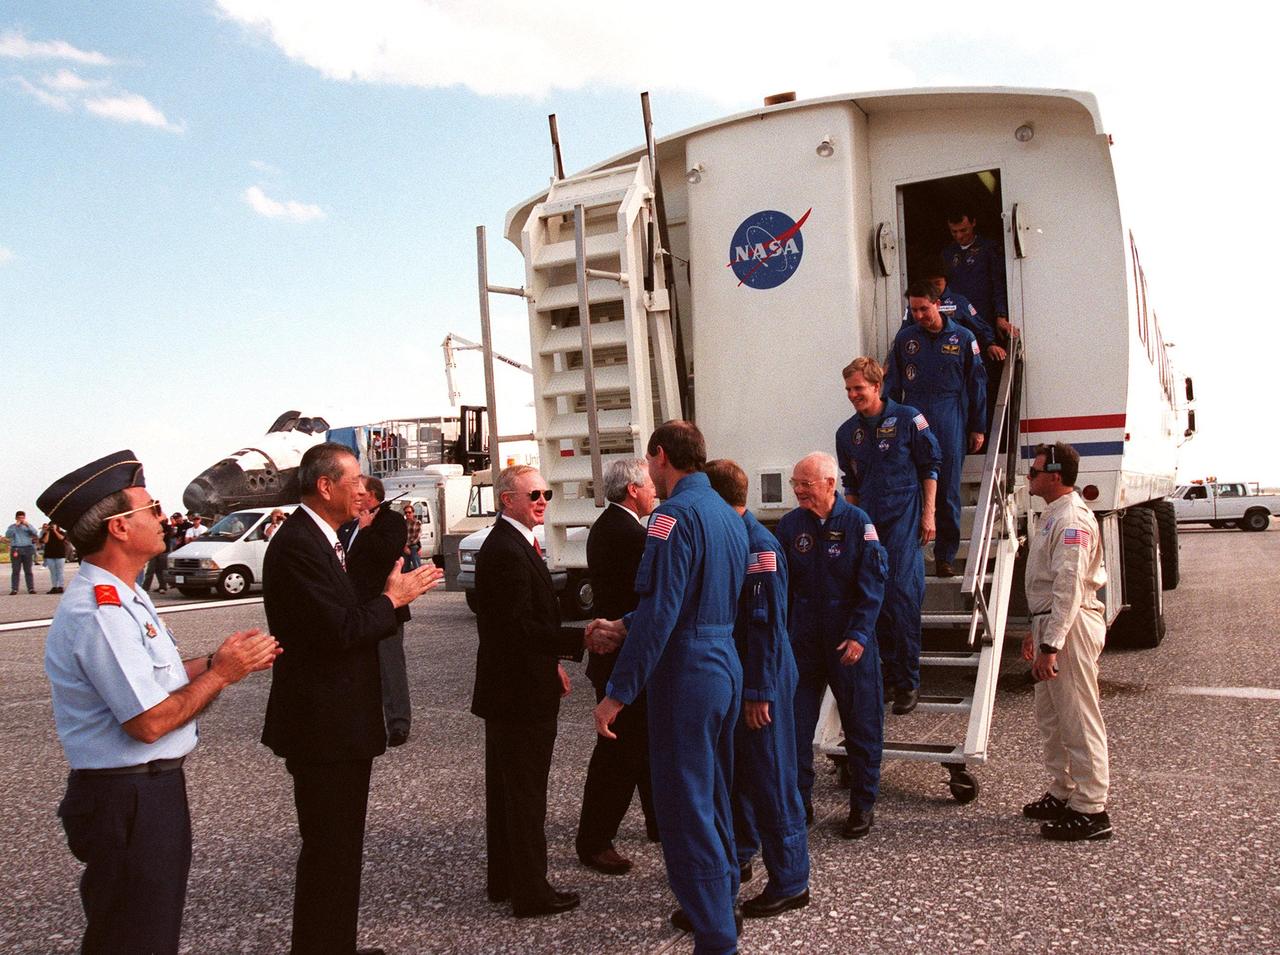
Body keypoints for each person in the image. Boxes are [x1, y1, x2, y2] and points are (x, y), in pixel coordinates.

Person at [37, 450, 281, 954]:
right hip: (127, 798)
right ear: (120, 528)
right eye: (150, 508)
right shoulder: (100, 612)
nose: (161, 517)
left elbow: (157, 678)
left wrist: (218, 658)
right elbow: (147, 722)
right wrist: (222, 675)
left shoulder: (126, 596)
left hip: (144, 793)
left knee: (142, 929)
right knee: (135, 937)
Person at [261, 442, 443, 955]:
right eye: (356, 480)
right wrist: (393, 599)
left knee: (339, 853)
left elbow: (346, 617)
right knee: (329, 852)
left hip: (337, 726)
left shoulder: (323, 540)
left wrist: (391, 597)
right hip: (323, 729)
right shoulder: (299, 543)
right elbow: (339, 630)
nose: (364, 490)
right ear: (326, 486)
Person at [590, 420, 748, 955]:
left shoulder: (670, 517)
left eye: (650, 459)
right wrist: (626, 625)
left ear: (660, 456)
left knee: (685, 807)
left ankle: (716, 937)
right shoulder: (728, 516)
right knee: (716, 794)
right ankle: (723, 900)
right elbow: (689, 599)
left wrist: (618, 692)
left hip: (688, 672)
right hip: (724, 661)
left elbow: (664, 609)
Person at [471, 465, 583, 918]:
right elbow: (517, 627)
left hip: (515, 686)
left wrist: (551, 661)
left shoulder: (516, 543)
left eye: (547, 493)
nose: (542, 501)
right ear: (506, 500)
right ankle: (531, 892)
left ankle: (504, 880)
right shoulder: (506, 549)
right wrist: (576, 640)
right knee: (524, 793)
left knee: (508, 791)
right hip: (517, 695)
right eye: (533, 494)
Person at [705, 458, 810, 918]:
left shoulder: (758, 547)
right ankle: (744, 853)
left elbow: (766, 625)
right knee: (743, 776)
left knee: (771, 777)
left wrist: (759, 692)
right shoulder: (733, 537)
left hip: (762, 673)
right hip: (746, 670)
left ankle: (791, 881)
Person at [777, 453, 887, 839]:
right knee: (794, 728)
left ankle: (862, 805)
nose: (799, 491)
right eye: (796, 484)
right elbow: (780, 588)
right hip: (804, 645)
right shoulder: (790, 527)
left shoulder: (858, 523)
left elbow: (873, 586)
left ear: (829, 483)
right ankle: (798, 803)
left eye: (806, 484)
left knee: (862, 725)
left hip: (849, 644)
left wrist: (859, 635)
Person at [836, 356, 942, 716]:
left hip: (904, 520)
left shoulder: (909, 418)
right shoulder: (847, 433)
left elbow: (930, 467)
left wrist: (929, 514)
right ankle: (884, 677)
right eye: (848, 389)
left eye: (859, 388)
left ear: (877, 386)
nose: (853, 395)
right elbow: (851, 486)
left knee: (902, 598)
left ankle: (908, 681)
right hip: (868, 525)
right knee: (870, 600)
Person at [1020, 442, 1113, 841]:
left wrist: (1052, 644)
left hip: (1070, 626)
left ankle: (1092, 809)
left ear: (1055, 476)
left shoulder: (1073, 518)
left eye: (1035, 472)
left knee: (1078, 716)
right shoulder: (1052, 515)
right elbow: (1046, 583)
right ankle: (1063, 791)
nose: (1030, 477)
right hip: (1051, 623)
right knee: (1052, 718)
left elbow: (1070, 585)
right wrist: (1035, 630)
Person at [575, 458, 659, 876]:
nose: (654, 492)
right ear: (632, 490)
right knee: (619, 753)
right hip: (621, 658)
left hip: (614, 657)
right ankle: (594, 839)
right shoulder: (630, 535)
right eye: (649, 486)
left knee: (641, 745)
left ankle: (657, 820)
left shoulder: (606, 526)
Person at [884, 280, 987, 579]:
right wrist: (887, 421)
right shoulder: (905, 341)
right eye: (913, 310)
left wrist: (977, 426)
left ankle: (945, 555)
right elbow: (893, 387)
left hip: (949, 414)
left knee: (947, 489)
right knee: (911, 486)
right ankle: (910, 554)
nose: (919, 315)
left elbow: (977, 384)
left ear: (938, 304)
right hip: (913, 413)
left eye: (924, 309)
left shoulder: (964, 337)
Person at [343, 476, 413, 748]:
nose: (356, 495)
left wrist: (367, 530)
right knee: (359, 668)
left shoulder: (391, 521)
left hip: (385, 606)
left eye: (360, 492)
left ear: (372, 495)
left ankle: (398, 723)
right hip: (355, 609)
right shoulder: (348, 523)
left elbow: (387, 554)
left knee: (390, 667)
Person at [943, 207, 1014, 343]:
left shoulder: (989, 248)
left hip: (984, 317)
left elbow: (998, 284)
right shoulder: (947, 253)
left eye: (963, 230)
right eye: (954, 231)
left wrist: (1001, 315)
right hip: (957, 320)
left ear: (973, 223)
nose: (959, 236)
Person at [7, 510, 40, 594]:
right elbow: (8, 535)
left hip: (27, 549)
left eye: (22, 518)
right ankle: (14, 589)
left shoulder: (28, 526)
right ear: (16, 518)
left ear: (24, 518)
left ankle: (31, 588)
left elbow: (35, 533)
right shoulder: (12, 526)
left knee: (28, 570)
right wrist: (16, 526)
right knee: (15, 570)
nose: (21, 519)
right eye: (19, 518)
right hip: (16, 549)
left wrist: (27, 525)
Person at [142, 511, 172, 593]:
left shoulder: (167, 528)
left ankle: (162, 586)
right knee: (150, 570)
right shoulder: (154, 527)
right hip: (155, 552)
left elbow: (167, 536)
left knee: (161, 570)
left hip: (163, 552)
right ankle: (145, 587)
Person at [41, 522, 68, 594]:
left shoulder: (61, 532)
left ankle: (60, 586)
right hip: (50, 555)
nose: (52, 526)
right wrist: (47, 532)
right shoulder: (46, 533)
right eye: (51, 525)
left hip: (60, 554)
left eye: (54, 525)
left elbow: (61, 538)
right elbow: (45, 541)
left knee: (60, 571)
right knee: (53, 572)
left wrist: (55, 531)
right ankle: (54, 586)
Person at [402, 502, 422, 570]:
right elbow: (401, 537)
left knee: (417, 567)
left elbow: (417, 537)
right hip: (404, 548)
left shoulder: (417, 523)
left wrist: (408, 546)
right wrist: (405, 547)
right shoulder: (402, 523)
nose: (407, 514)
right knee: (405, 568)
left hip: (413, 547)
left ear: (413, 513)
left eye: (409, 512)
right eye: (406, 512)